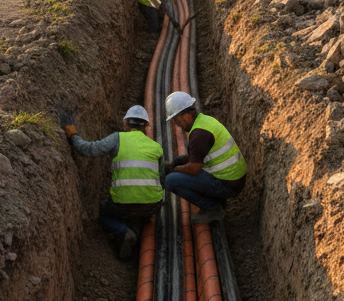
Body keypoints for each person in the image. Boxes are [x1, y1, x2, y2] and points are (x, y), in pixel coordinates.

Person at [61, 106, 164, 259]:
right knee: (143, 207)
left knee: (104, 212)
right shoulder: (156, 147)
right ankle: (138, 221)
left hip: (123, 205)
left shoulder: (117, 138)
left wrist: (72, 132)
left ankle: (123, 231)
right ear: (146, 126)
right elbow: (161, 177)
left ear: (125, 123)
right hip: (152, 205)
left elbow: (87, 149)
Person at [162, 91, 246, 223]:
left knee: (171, 180)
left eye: (176, 119)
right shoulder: (205, 121)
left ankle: (212, 207)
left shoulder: (199, 134)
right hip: (233, 177)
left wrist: (175, 169)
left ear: (187, 116)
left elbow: (194, 169)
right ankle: (216, 199)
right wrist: (179, 162)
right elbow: (198, 156)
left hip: (228, 184)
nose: (176, 124)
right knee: (182, 163)